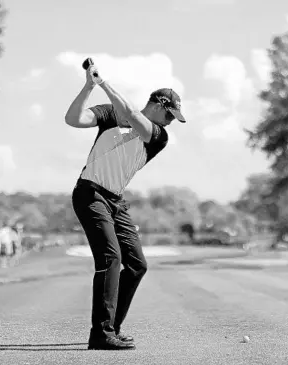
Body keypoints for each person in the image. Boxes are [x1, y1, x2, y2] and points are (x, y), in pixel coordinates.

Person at [65, 62, 186, 350]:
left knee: (136, 265)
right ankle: (101, 334)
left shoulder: (158, 136)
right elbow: (73, 119)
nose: (170, 121)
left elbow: (132, 115)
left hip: (115, 201)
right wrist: (89, 86)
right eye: (169, 114)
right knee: (110, 258)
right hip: (90, 194)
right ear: (158, 104)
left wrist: (104, 83)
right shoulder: (109, 115)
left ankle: (112, 328)